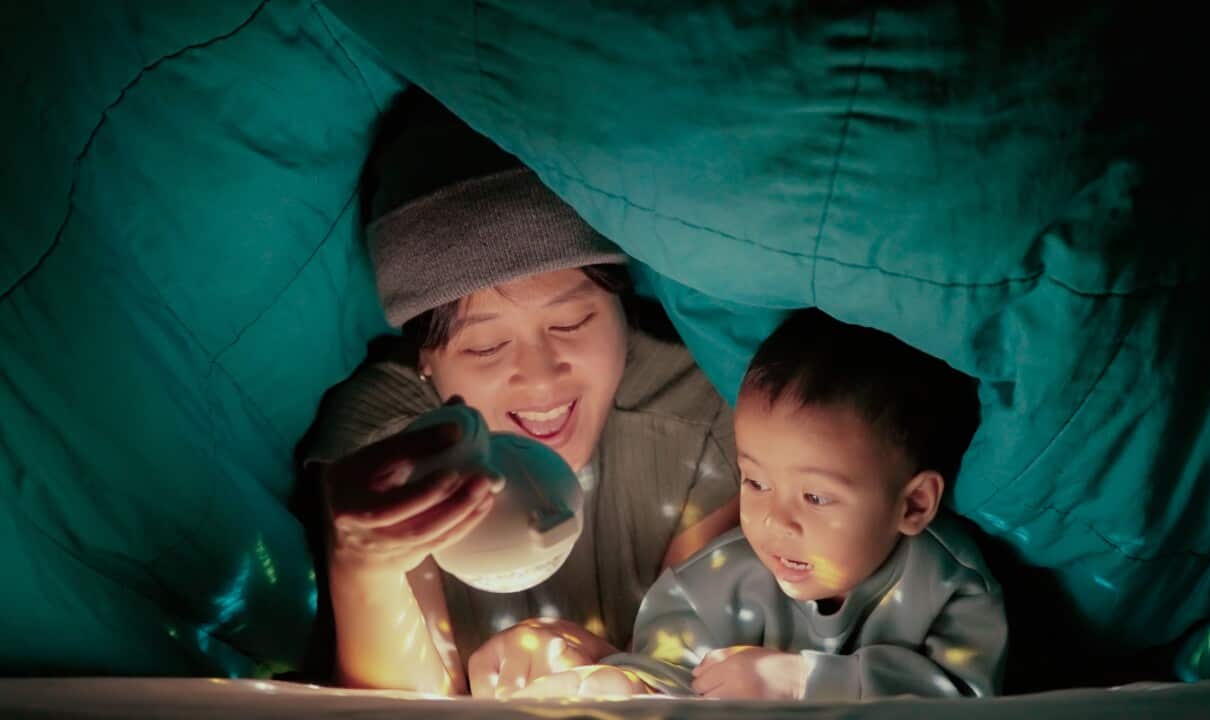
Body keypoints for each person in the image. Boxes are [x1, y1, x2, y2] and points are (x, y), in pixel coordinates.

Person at [297, 89, 740, 696]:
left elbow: (708, 675)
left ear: (621, 308)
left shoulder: (697, 409)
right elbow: (400, 707)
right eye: (484, 347)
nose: (539, 377)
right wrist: (363, 568)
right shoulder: (385, 441)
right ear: (426, 358)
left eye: (570, 324)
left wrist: (603, 662)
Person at [515, 309, 1006, 700]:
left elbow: (967, 695)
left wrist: (800, 683)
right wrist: (627, 683)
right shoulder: (712, 582)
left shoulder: (949, 583)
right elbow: (670, 669)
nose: (775, 520)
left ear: (914, 504)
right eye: (755, 482)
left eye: (815, 497)